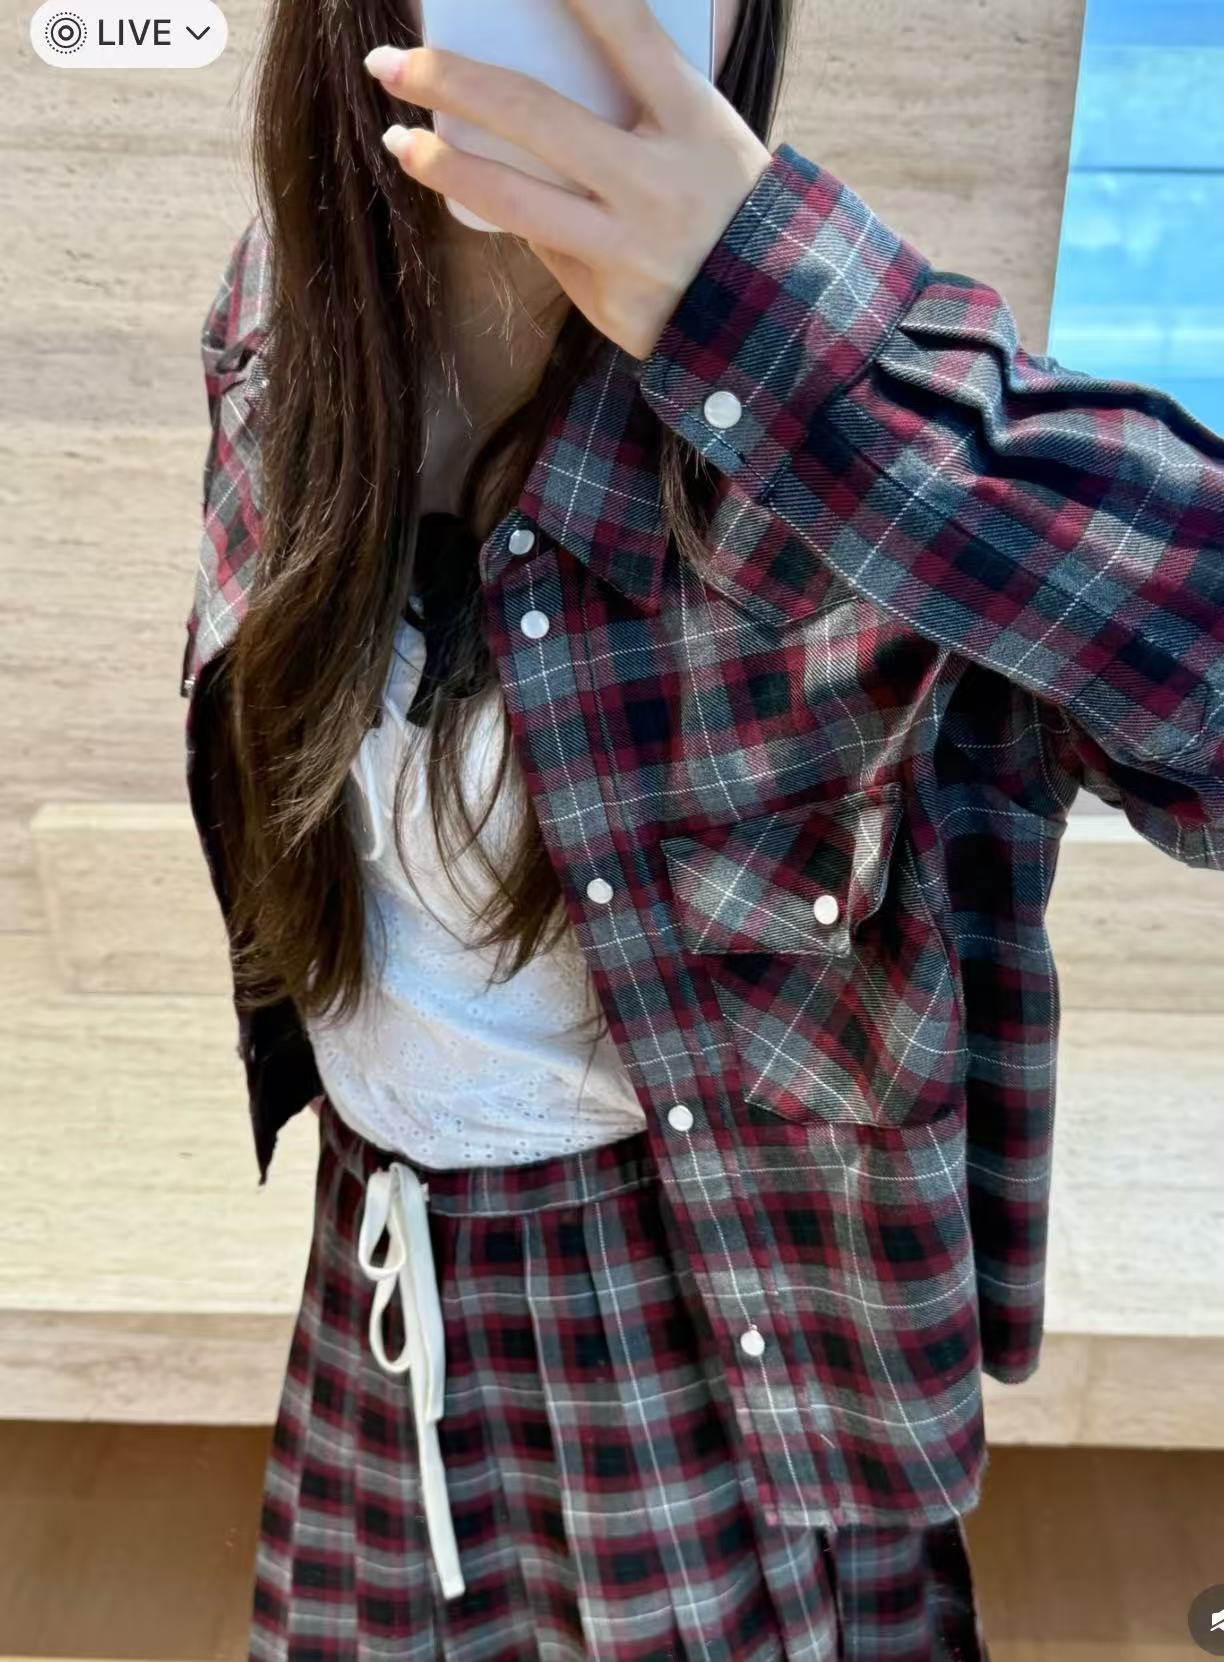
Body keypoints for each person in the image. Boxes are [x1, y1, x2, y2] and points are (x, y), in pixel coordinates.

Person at [179, 0, 1224, 1655]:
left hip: (709, 1334)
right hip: (378, 1286)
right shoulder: (281, 328)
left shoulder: (845, 453)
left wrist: (797, 346)